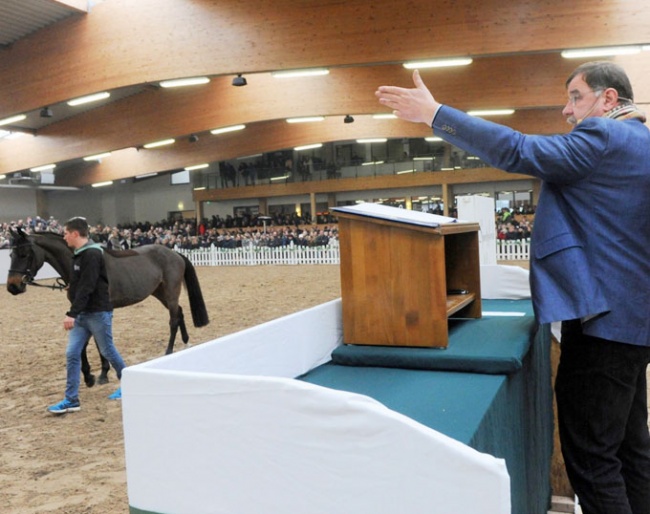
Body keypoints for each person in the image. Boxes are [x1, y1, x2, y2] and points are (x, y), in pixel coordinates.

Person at [376, 62, 650, 514]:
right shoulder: (641, 143)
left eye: (576, 97)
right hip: (634, 320)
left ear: (609, 100)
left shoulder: (604, 138)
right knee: (630, 449)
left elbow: (518, 149)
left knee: (594, 458)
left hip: (605, 324)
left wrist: (435, 113)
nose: (567, 110)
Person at [47, 216, 125, 414]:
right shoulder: (79, 254)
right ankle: (71, 399)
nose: (64, 237)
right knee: (72, 354)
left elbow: (88, 286)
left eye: (65, 233)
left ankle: (129, 384)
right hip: (83, 314)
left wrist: (72, 313)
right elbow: (81, 284)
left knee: (108, 351)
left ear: (75, 233)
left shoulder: (91, 254)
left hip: (97, 312)